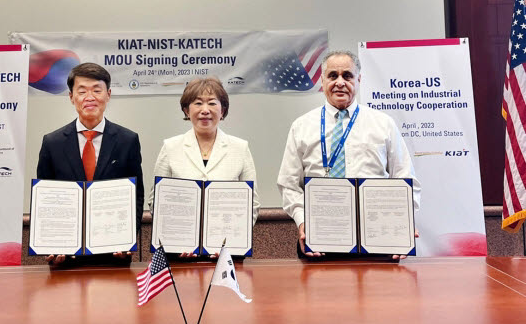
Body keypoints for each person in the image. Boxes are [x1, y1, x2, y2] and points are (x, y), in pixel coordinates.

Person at [277, 50, 420, 260]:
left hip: (375, 239)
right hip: (320, 238)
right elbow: (288, 184)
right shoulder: (301, 126)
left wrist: (403, 224)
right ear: (323, 81)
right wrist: (302, 221)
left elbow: (406, 179)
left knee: (380, 294)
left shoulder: (383, 124)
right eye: (333, 76)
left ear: (359, 80)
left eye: (348, 75)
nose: (340, 82)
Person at [36, 62, 144, 266]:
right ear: (71, 97)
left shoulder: (127, 140)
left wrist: (128, 239)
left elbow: (136, 195)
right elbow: (45, 199)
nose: (90, 97)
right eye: (82, 91)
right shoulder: (52, 143)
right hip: (65, 256)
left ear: (108, 94)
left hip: (113, 255)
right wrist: (51, 244)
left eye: (97, 90)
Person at [148, 77, 260, 258]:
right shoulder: (170, 147)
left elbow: (252, 205)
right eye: (198, 103)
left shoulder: (240, 148)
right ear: (187, 110)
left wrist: (232, 242)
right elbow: (156, 202)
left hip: (226, 253)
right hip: (180, 253)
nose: (205, 110)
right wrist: (178, 240)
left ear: (222, 110)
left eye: (212, 103)